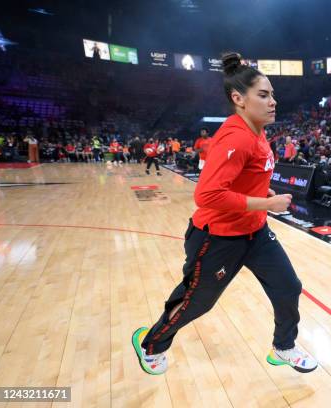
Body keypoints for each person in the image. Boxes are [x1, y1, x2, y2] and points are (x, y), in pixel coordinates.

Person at [132, 52, 317, 375]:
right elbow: (207, 195)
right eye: (263, 94)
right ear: (238, 99)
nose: (273, 101)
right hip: (217, 238)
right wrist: (266, 204)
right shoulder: (236, 137)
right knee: (197, 302)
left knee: (288, 286)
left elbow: (243, 179)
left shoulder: (257, 132)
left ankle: (284, 346)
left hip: (254, 233)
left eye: (272, 94)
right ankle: (151, 343)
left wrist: (261, 194)